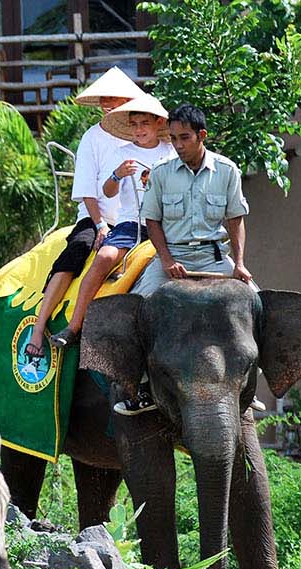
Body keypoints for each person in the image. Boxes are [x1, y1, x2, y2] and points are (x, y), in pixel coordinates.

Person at [116, 103, 252, 415]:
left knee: (257, 305)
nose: (177, 145)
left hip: (214, 258)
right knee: (135, 310)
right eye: (174, 138)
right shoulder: (162, 173)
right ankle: (139, 387)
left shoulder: (227, 171)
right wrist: (165, 261)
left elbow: (236, 219)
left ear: (201, 135)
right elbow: (152, 221)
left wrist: (240, 263)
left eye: (184, 138)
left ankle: (249, 385)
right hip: (172, 258)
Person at [23, 68, 145, 358]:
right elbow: (88, 189)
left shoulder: (147, 137)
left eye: (114, 99)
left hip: (141, 218)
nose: (108, 105)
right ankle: (39, 329)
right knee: (79, 248)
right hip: (100, 216)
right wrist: (101, 224)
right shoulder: (93, 138)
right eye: (105, 99)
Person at [46, 93, 174, 350]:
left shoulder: (171, 153)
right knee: (104, 257)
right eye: (134, 124)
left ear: (158, 123)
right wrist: (116, 175)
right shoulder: (122, 153)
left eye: (145, 124)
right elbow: (107, 192)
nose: (139, 130)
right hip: (131, 223)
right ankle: (74, 326)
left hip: (167, 224)